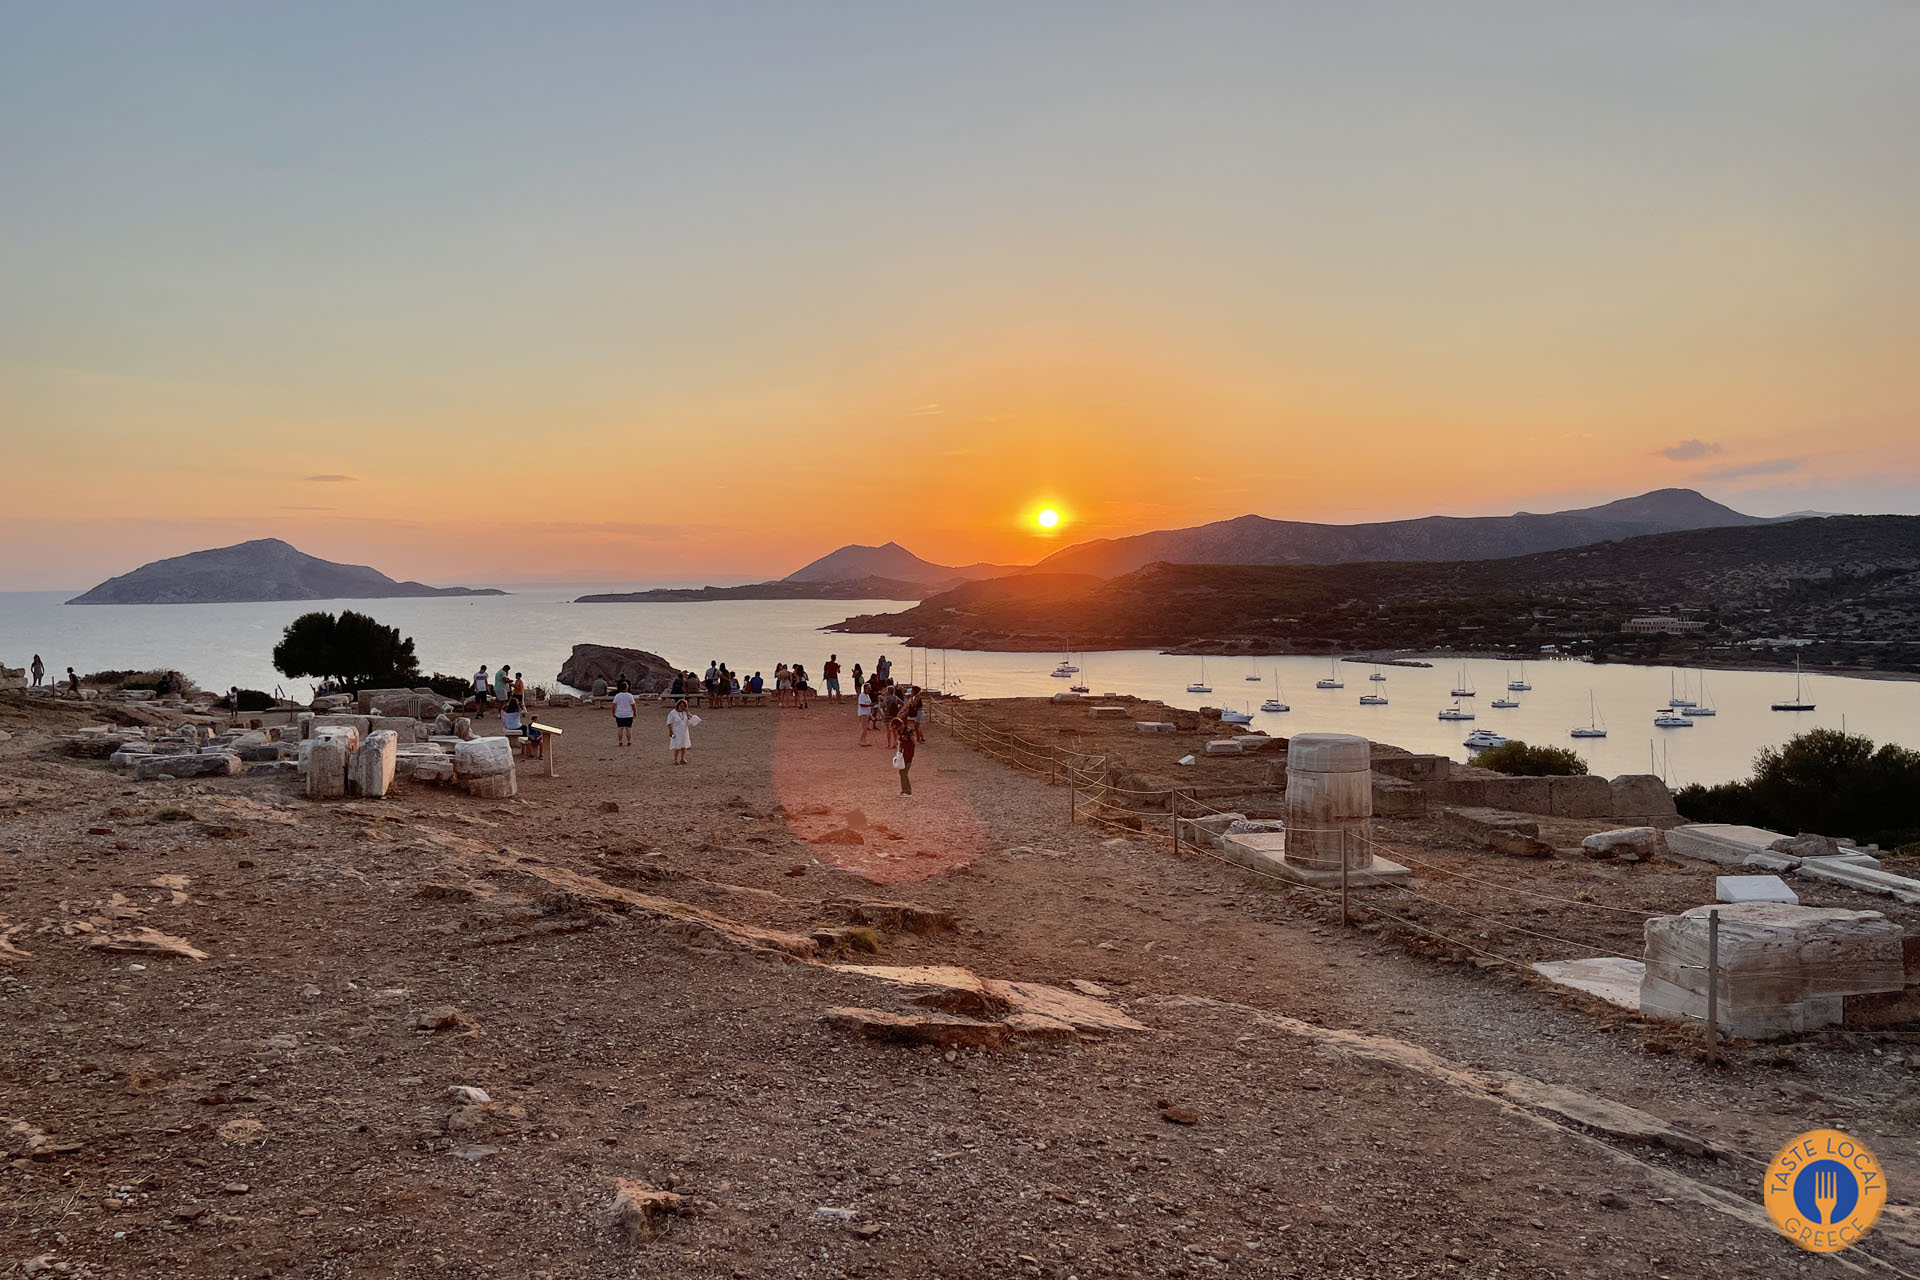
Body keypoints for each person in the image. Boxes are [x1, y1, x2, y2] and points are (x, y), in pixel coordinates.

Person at [666, 698, 702, 765]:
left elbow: (693, 721)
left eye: (684, 706)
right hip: (676, 731)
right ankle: (675, 759)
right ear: (678, 705)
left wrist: (688, 712)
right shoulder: (673, 713)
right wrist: (670, 731)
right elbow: (669, 723)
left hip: (684, 731)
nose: (682, 707)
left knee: (684, 745)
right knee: (677, 746)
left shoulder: (685, 713)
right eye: (681, 705)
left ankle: (682, 758)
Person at [891, 715, 915, 795]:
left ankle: (907, 790)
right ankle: (904, 790)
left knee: (903, 772)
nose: (896, 730)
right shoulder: (900, 731)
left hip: (908, 753)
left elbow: (913, 742)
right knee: (902, 772)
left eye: (896, 727)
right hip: (902, 754)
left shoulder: (908, 731)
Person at [611, 680, 636, 748]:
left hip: (619, 714)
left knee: (620, 728)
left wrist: (613, 712)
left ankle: (620, 741)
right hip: (628, 714)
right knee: (628, 728)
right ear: (626, 687)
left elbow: (613, 705)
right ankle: (629, 741)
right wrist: (635, 713)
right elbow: (633, 705)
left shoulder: (617, 696)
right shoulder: (630, 695)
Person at [856, 681, 873, 746]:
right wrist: (869, 705)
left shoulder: (867, 696)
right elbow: (861, 704)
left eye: (870, 688)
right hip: (863, 714)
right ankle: (861, 741)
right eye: (868, 688)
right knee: (863, 728)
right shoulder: (861, 695)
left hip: (867, 714)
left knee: (865, 728)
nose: (870, 690)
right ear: (865, 689)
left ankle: (864, 741)